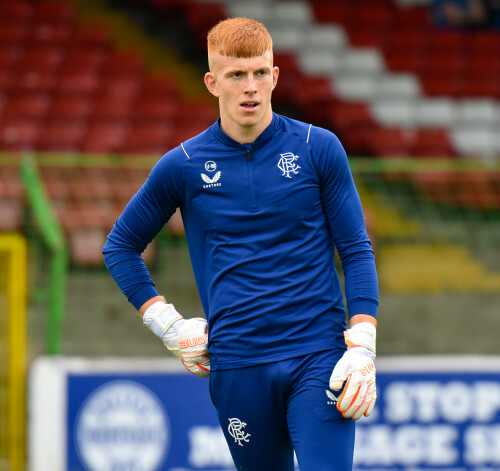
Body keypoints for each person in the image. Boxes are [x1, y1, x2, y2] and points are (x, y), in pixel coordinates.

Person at [103, 17, 379, 471]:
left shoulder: (319, 148)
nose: (250, 87)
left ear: (274, 76)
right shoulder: (183, 166)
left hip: (319, 356)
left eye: (259, 73)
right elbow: (120, 246)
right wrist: (169, 327)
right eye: (236, 75)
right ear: (213, 83)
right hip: (237, 365)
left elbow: (355, 249)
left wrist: (363, 342)